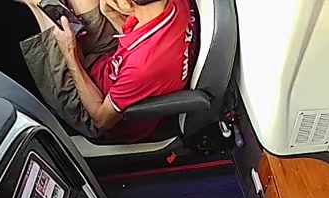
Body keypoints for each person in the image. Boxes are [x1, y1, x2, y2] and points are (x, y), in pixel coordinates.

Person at [16, 0, 195, 143]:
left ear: (126, 4)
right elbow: (138, 42)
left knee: (37, 2)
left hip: (92, 104)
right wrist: (110, 13)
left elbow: (101, 120)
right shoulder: (174, 4)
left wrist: (70, 53)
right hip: (118, 58)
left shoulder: (143, 69)